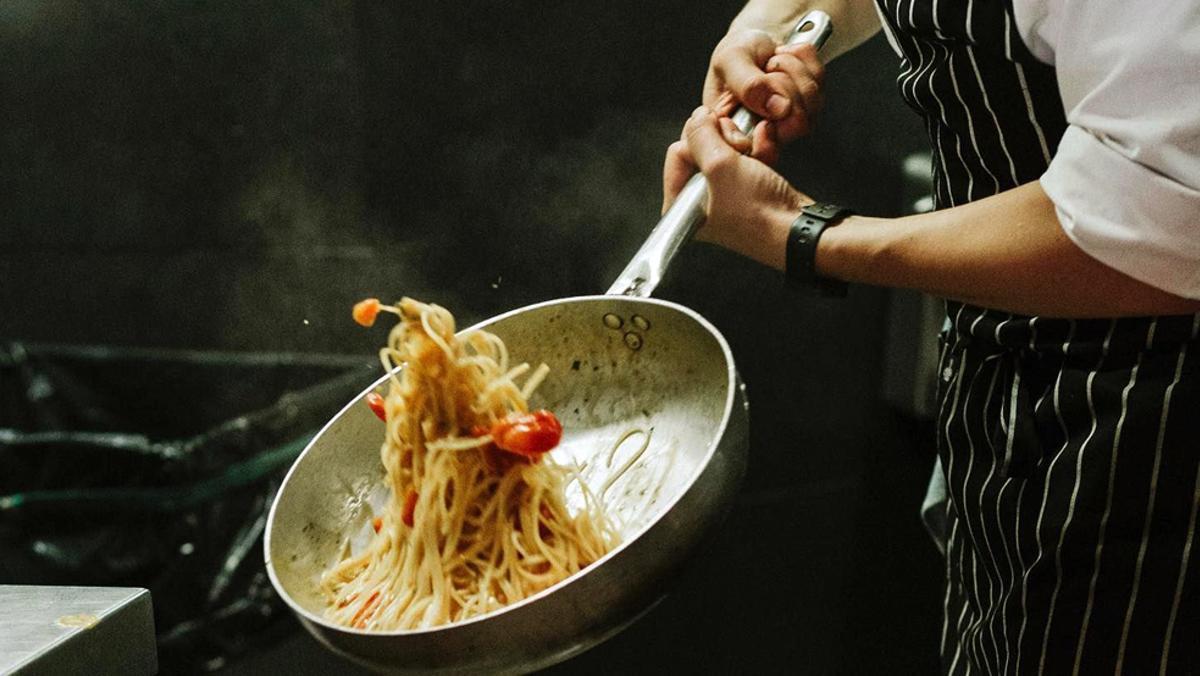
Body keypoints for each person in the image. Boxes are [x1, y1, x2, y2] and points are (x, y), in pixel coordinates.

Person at [663, 0, 1200, 673]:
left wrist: (801, 232)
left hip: (1145, 433)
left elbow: (1164, 216)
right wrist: (769, 29)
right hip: (1002, 391)